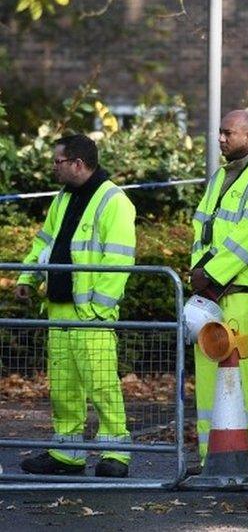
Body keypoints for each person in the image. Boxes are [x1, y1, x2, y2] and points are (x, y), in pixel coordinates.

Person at [15, 134, 136, 478]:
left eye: (58, 162)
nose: (53, 167)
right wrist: (28, 278)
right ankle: (67, 454)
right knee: (64, 387)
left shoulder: (114, 200)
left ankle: (117, 453)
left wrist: (98, 309)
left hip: (89, 314)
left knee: (101, 385)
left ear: (78, 164)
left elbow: (119, 260)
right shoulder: (63, 198)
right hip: (61, 310)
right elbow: (45, 243)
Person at [190, 109, 248, 470]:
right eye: (220, 132)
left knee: (241, 375)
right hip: (213, 292)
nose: (221, 138)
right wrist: (201, 272)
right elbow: (202, 226)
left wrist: (208, 272)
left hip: (242, 291)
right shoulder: (220, 176)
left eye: (229, 133)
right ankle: (208, 456)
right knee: (208, 376)